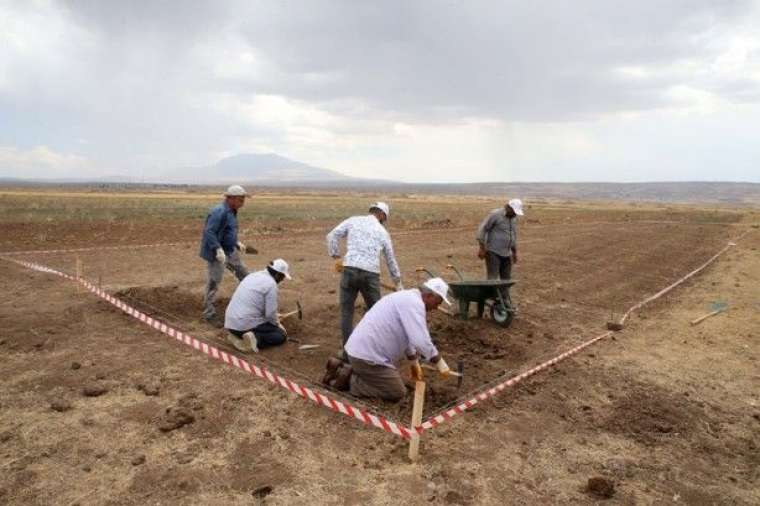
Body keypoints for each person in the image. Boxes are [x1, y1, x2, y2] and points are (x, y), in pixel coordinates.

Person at [322, 278, 453, 402]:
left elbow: (408, 335)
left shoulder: (408, 298)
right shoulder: (415, 304)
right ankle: (350, 380)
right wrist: (439, 361)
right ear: (430, 295)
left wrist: (413, 361)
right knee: (397, 392)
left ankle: (347, 369)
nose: (436, 308)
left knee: (394, 381)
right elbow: (420, 340)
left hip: (361, 352)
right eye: (437, 303)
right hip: (368, 358)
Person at [326, 202, 403, 359]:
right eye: (384, 218)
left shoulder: (353, 220)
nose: (384, 221)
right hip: (370, 275)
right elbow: (390, 259)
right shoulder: (382, 232)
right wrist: (398, 282)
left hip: (349, 270)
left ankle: (347, 353)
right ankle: (377, 350)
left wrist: (336, 256)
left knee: (347, 312)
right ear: (381, 215)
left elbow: (332, 235)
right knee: (377, 313)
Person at [199, 185, 251, 325]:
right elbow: (209, 232)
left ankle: (247, 305)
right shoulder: (219, 211)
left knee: (245, 276)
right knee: (214, 282)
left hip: (229, 250)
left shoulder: (232, 211)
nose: (243, 202)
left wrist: (236, 243)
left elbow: (227, 231)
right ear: (231, 198)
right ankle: (209, 313)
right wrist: (217, 249)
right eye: (241, 199)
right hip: (217, 253)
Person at [224, 258, 292, 353]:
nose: (282, 280)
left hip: (231, 323)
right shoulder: (271, 284)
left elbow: (257, 304)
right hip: (244, 325)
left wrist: (273, 316)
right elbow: (270, 315)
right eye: (282, 277)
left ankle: (236, 336)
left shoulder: (253, 275)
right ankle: (255, 340)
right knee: (281, 335)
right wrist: (276, 322)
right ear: (277, 275)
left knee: (269, 324)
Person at [476, 198, 524, 302]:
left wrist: (515, 252)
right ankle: (492, 300)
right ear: (508, 207)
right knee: (492, 279)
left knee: (506, 280)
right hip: (493, 251)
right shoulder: (495, 215)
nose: (515, 214)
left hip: (507, 254)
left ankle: (503, 301)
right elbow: (483, 229)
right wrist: (482, 248)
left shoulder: (513, 218)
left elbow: (513, 235)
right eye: (514, 212)